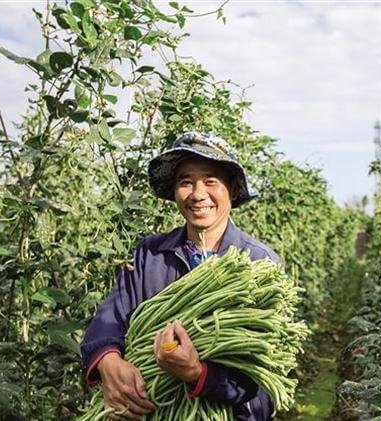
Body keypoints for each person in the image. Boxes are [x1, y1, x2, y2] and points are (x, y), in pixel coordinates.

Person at [80, 132, 280, 420]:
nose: (198, 193)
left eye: (211, 180)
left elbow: (262, 388)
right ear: (174, 191)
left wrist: (197, 373)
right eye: (185, 181)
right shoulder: (150, 253)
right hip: (145, 411)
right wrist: (109, 362)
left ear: (233, 190)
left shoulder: (259, 264)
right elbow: (109, 320)